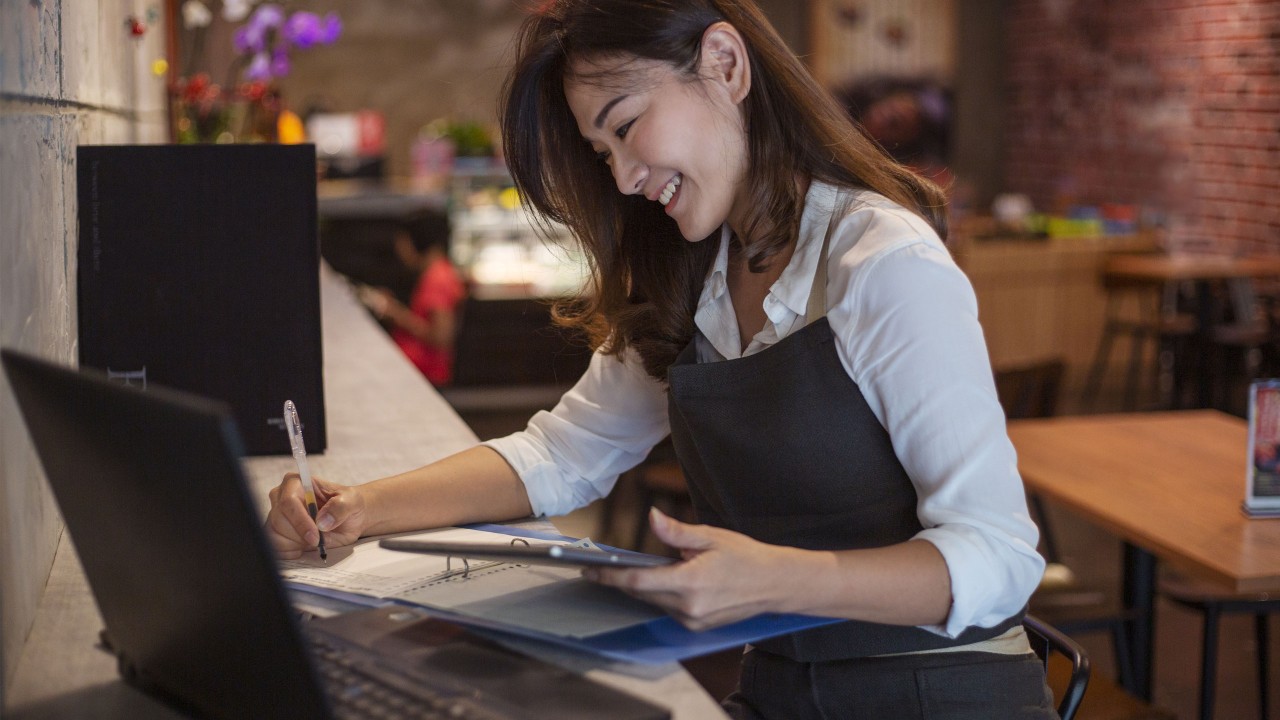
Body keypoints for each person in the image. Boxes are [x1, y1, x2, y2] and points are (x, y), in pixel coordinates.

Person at [266, 1, 1053, 717]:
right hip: (780, 688)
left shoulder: (882, 262)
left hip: (943, 694)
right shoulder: (692, 274)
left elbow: (1001, 556)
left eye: (627, 125)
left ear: (726, 64)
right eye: (602, 153)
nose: (627, 178)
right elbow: (559, 455)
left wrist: (780, 578)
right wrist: (362, 509)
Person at [361, 210, 466, 386]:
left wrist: (396, 313)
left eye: (403, 244)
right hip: (420, 374)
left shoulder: (438, 278)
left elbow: (441, 337)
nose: (400, 252)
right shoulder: (439, 273)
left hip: (426, 376)